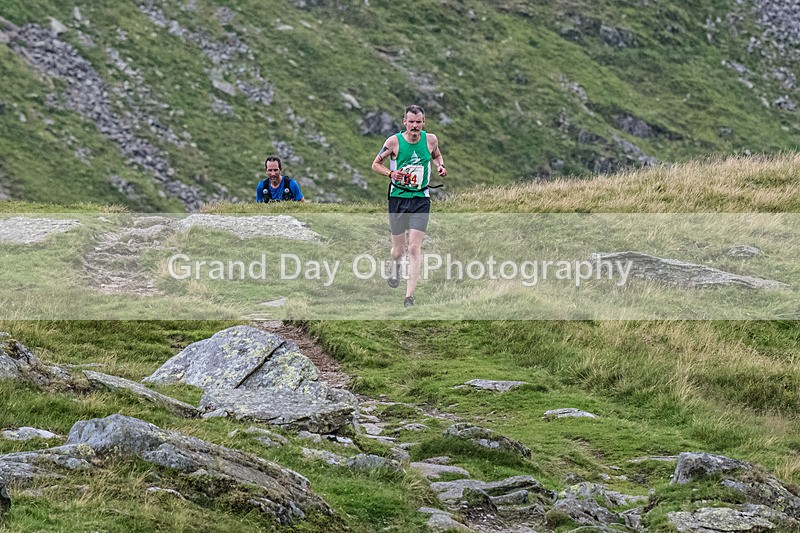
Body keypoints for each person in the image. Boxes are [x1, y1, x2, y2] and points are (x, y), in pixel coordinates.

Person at [371, 104, 447, 307]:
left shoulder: (430, 140)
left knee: (414, 248)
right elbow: (375, 164)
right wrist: (391, 173)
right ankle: (395, 266)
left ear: (424, 122)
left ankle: (409, 297)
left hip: (421, 199)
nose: (415, 126)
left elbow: (436, 155)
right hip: (398, 198)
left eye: (418, 122)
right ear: (404, 122)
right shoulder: (393, 142)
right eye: (411, 122)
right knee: (398, 250)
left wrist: (440, 166)